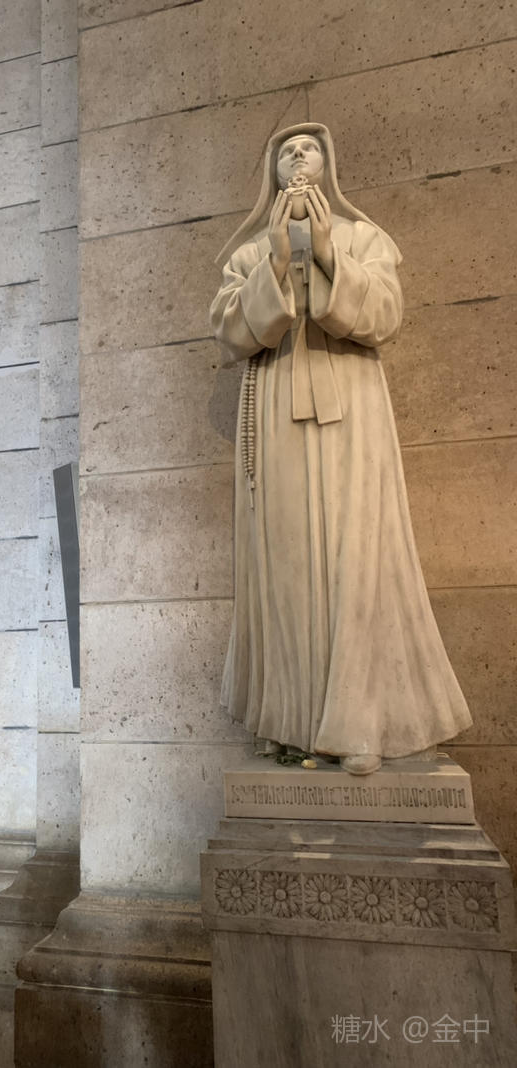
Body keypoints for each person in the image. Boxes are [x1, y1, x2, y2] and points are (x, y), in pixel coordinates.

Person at [211, 123, 472, 776]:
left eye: (308, 149)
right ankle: (292, 722)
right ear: (270, 171)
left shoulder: (364, 238)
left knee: (358, 555)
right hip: (276, 412)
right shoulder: (247, 252)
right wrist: (276, 261)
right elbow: (231, 331)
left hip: (353, 412)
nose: (298, 157)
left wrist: (328, 253)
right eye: (286, 151)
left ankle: (362, 723)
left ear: (329, 164)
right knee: (285, 561)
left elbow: (383, 315)